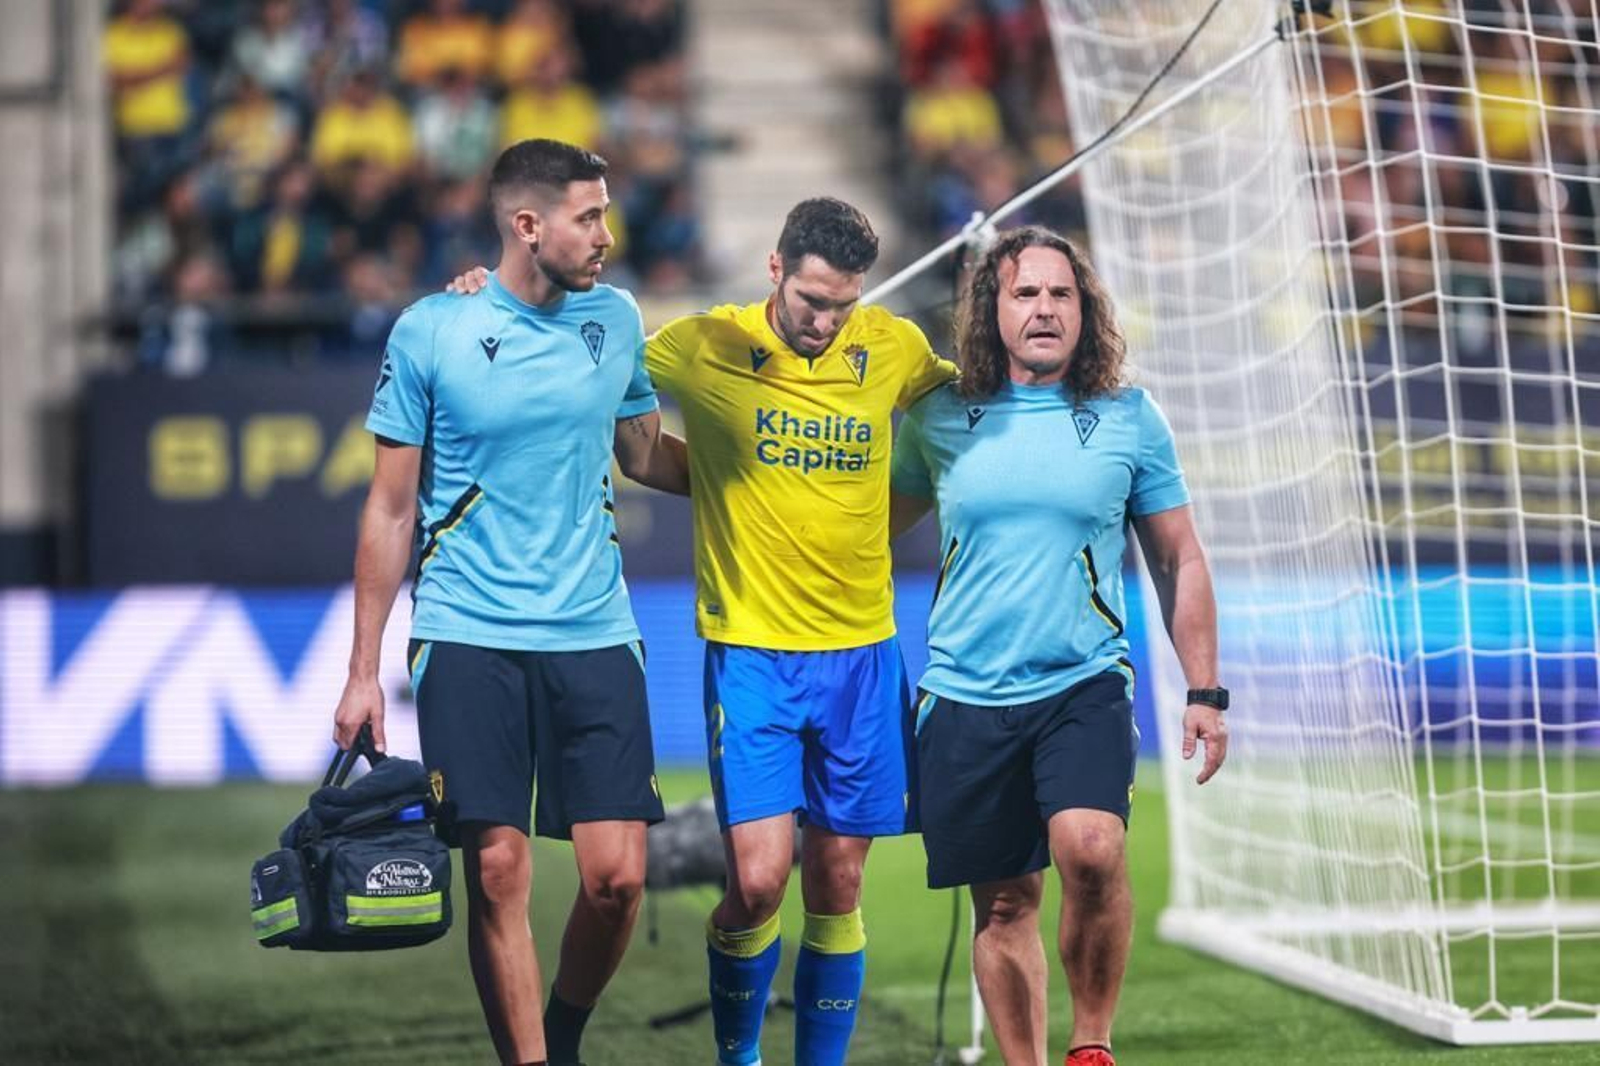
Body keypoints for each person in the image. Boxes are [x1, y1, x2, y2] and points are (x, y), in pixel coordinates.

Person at [451, 198, 956, 1065]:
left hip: (865, 656)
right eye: (810, 301)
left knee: (837, 882)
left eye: (842, 304)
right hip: (752, 654)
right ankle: (739, 1057)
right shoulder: (704, 344)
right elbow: (615, 403)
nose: (825, 322)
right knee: (758, 882)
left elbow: (970, 406)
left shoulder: (894, 348)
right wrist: (490, 295)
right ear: (774, 270)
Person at [333, 138, 690, 1066]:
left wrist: (760, 472)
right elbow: (389, 506)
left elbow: (646, 453)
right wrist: (362, 670)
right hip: (466, 630)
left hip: (594, 628)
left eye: (607, 212)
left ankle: (560, 1033)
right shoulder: (431, 330)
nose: (609, 234)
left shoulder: (614, 318)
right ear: (528, 226)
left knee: (616, 880)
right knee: (498, 870)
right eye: (590, 217)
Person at [889, 225, 1228, 1066]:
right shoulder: (936, 419)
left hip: (1083, 681)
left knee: (1091, 848)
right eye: (1025, 293)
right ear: (990, 309)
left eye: (1061, 293)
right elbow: (870, 536)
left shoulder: (1128, 417)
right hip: (964, 693)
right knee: (1003, 907)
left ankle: (1090, 1046)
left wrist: (1206, 691)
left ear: (1086, 310)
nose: (1044, 308)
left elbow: (1178, 556)